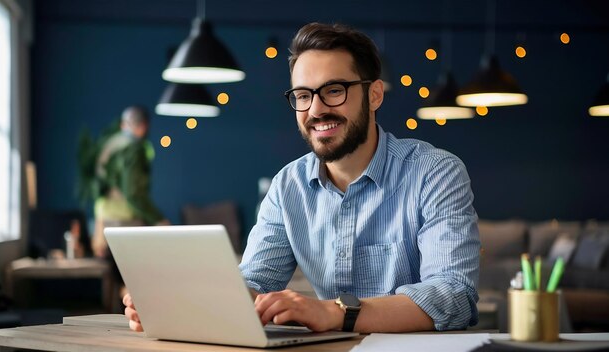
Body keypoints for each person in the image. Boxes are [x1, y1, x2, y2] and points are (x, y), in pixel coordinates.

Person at [124, 23, 480, 333]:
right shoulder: (287, 186)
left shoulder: (434, 172)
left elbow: (453, 294)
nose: (316, 109)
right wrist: (179, 306)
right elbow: (254, 284)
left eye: (334, 90)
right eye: (303, 95)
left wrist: (334, 312)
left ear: (373, 95)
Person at [90, 106, 168, 258]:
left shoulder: (112, 143)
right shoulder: (134, 149)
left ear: (123, 124)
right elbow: (133, 193)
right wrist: (158, 219)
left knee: (113, 276)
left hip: (104, 217)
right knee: (133, 276)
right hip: (125, 220)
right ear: (144, 126)